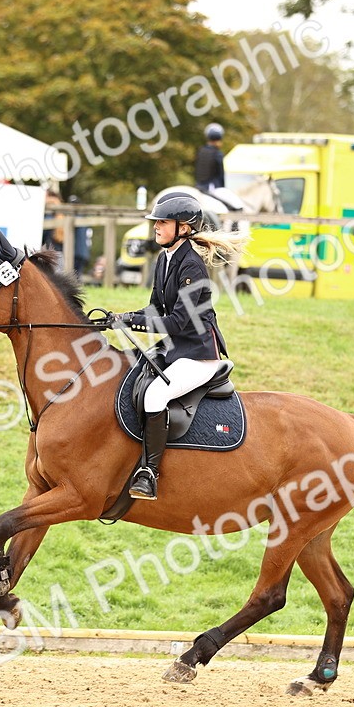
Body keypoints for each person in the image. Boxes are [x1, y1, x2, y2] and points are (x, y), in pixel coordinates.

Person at [117, 192, 248, 501]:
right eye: (155, 222)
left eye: (163, 222)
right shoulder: (164, 260)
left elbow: (177, 322)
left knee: (155, 394)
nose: (156, 228)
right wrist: (122, 317)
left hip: (198, 356)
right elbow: (154, 310)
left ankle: (149, 473)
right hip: (176, 349)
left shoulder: (192, 267)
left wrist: (134, 322)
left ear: (184, 227)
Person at [194, 123, 226, 193]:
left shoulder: (201, 150)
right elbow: (220, 174)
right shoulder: (217, 153)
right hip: (212, 186)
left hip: (199, 185)